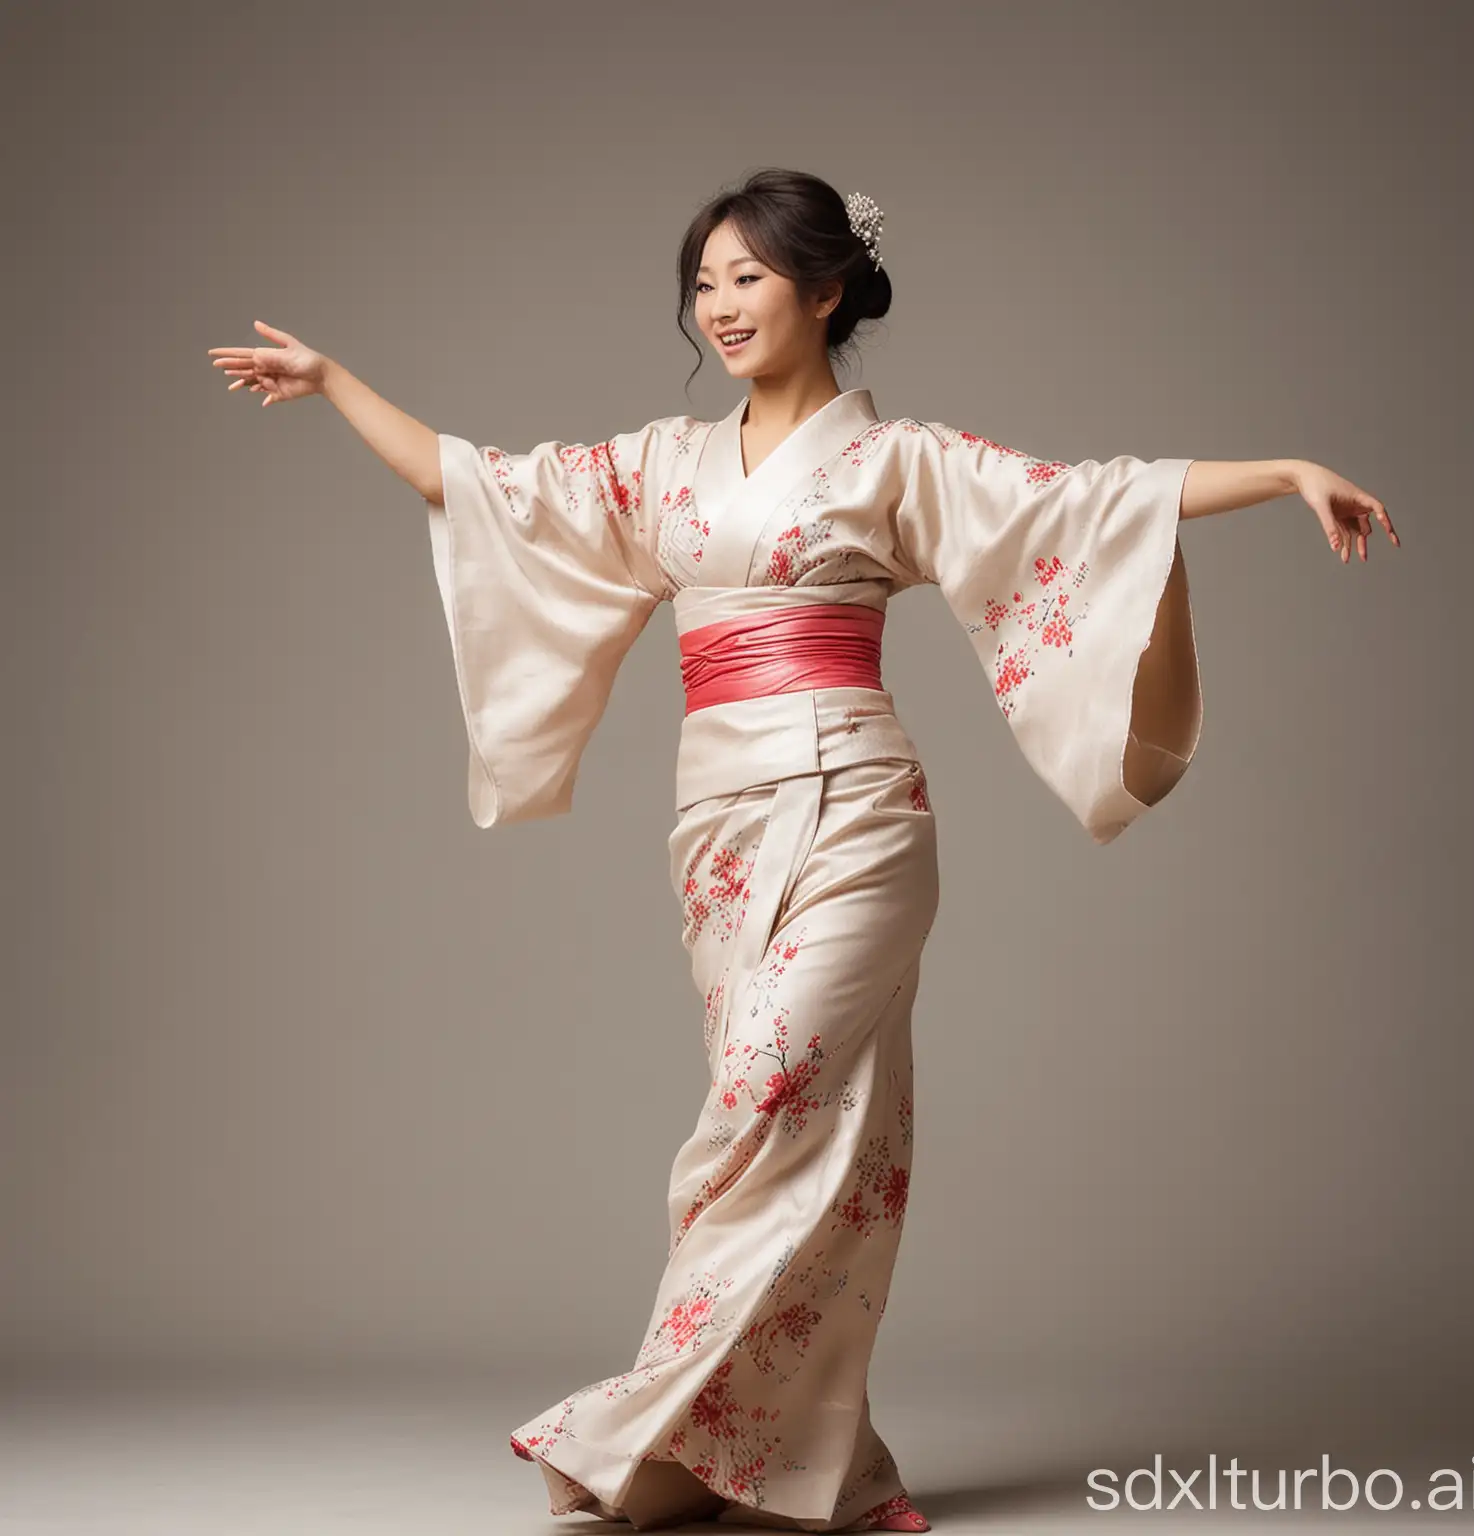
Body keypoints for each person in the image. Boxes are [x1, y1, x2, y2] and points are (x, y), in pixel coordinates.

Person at [208, 168, 1398, 1533]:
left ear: (825, 290)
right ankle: (790, 1465)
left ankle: (643, 1428)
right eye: (702, 282)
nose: (718, 306)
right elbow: (482, 487)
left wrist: (1287, 472)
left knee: (765, 1109)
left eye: (747, 279)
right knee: (818, 1137)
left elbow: (1084, 503)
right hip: (717, 821)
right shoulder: (661, 464)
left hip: (858, 815)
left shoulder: (895, 464)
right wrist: (334, 381)